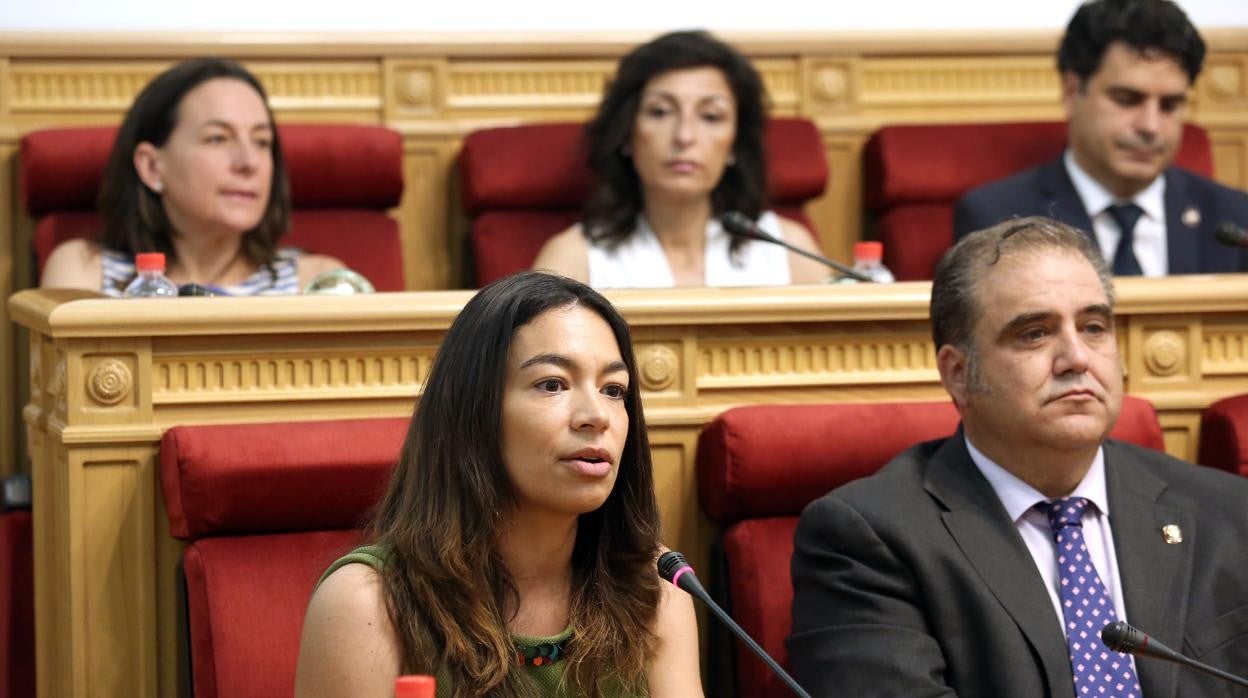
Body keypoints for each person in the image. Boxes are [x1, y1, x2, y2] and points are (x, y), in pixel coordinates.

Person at [788, 217, 1248, 696]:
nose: (1076, 358)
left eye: (1093, 327)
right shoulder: (869, 540)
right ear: (959, 373)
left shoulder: (1229, 511)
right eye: (1034, 333)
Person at [294, 271, 702, 697]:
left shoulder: (654, 592)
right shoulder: (370, 605)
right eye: (552, 384)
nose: (597, 415)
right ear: (474, 413)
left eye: (614, 389)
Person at [953, 0, 1248, 276]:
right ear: (1072, 92)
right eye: (1127, 99)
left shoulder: (1233, 219)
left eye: (1169, 105)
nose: (1151, 126)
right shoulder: (998, 218)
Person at [532, 30, 829, 288]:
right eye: (660, 112)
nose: (684, 136)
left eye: (711, 116)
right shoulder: (574, 258)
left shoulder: (787, 250)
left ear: (735, 143)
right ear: (626, 134)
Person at [40, 57, 344, 296]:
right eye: (217, 139)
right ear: (151, 167)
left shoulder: (318, 282)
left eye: (262, 141)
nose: (249, 162)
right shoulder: (85, 272)